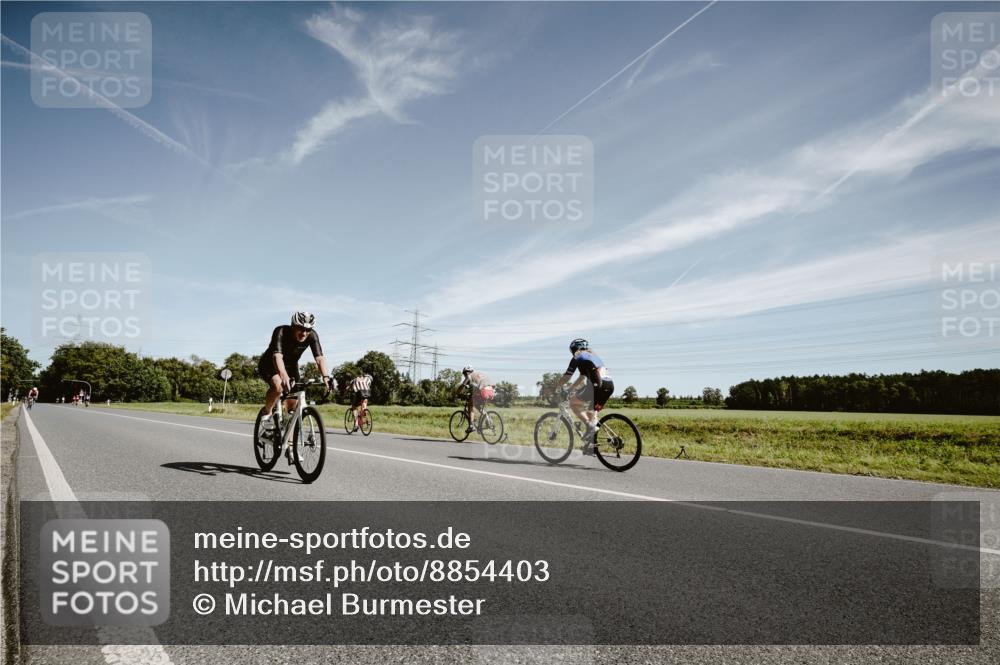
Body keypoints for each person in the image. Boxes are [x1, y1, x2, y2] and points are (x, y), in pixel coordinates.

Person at [256, 311, 334, 464]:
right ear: (293, 326)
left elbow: (319, 358)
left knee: (293, 408)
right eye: (301, 329)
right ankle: (267, 413)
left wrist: (326, 377)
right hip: (270, 364)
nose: (304, 333)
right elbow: (277, 356)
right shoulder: (281, 331)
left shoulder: (312, 336)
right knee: (278, 386)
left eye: (308, 330)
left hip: (291, 367)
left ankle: (291, 448)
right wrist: (283, 375)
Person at [552, 338, 614, 456]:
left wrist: (557, 387)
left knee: (573, 403)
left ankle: (590, 427)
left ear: (574, 349)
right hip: (609, 386)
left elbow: (567, 376)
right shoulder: (593, 357)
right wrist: (570, 389)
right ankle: (591, 446)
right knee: (592, 416)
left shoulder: (578, 356)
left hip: (596, 385)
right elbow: (582, 377)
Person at [455, 366, 495, 434]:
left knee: (470, 405)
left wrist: (457, 393)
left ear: (467, 372)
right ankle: (488, 419)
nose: (464, 375)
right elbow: (474, 389)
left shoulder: (469, 376)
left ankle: (471, 426)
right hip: (491, 391)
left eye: (464, 374)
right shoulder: (479, 374)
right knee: (477, 404)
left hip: (483, 391)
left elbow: (462, 386)